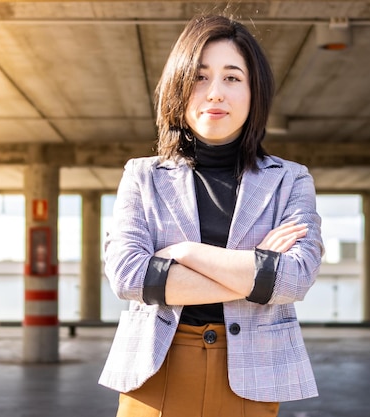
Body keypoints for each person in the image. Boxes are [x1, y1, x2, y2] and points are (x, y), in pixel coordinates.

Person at [98, 14, 324, 417]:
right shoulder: (142, 176)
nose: (215, 93)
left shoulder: (290, 180)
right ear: (179, 87)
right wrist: (256, 272)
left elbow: (294, 278)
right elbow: (129, 275)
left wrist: (185, 252)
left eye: (232, 78)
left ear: (255, 91)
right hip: (155, 371)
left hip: (253, 374)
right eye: (200, 77)